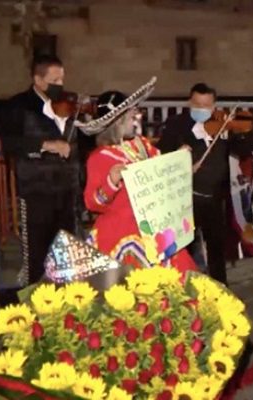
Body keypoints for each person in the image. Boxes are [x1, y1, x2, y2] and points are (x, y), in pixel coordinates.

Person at [79, 77, 196, 278]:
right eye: (131, 116)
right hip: (120, 235)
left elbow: (159, 172)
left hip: (156, 230)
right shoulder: (100, 157)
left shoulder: (142, 145)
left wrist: (178, 161)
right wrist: (111, 182)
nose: (137, 118)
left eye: (136, 113)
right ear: (117, 122)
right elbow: (92, 203)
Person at [157, 83, 252, 285]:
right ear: (190, 102)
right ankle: (187, 287)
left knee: (217, 246)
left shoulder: (222, 123)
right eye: (197, 104)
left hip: (215, 197)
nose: (201, 109)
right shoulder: (176, 124)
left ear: (214, 105)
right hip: (187, 197)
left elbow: (244, 150)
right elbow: (162, 154)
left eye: (206, 105)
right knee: (187, 248)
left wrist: (241, 130)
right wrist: (178, 155)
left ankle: (220, 288)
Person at [0, 55, 79, 286]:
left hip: (66, 190)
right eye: (54, 79)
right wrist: (46, 145)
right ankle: (38, 302)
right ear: (38, 79)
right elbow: (10, 142)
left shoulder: (67, 105)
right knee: (37, 252)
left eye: (62, 79)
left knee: (65, 251)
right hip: (36, 191)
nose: (60, 85)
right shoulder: (18, 106)